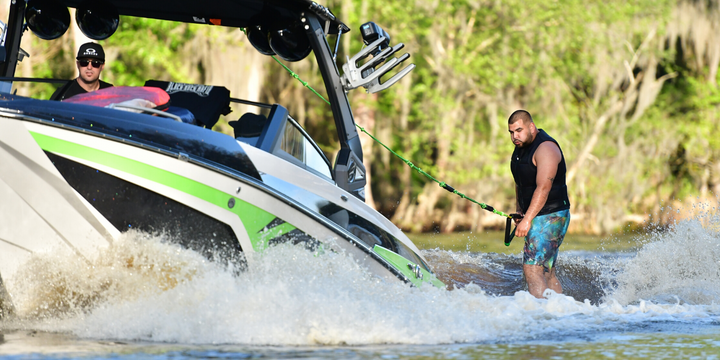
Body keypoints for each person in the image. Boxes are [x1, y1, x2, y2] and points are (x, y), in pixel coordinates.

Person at [507, 110, 571, 299]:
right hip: (538, 214)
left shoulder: (546, 149)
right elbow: (521, 182)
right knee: (546, 271)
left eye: (519, 130)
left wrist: (527, 219)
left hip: (552, 215)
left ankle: (541, 316)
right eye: (511, 132)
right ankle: (558, 312)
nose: (514, 136)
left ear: (531, 127)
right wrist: (521, 212)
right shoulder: (521, 148)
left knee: (532, 268)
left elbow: (543, 188)